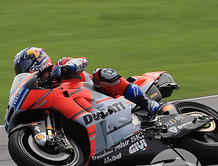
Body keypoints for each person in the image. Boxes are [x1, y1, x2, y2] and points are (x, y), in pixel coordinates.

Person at [12, 46, 162, 116]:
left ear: (39, 60)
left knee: (101, 73)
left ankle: (148, 103)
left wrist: (68, 68)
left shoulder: (60, 65)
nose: (24, 72)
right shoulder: (39, 88)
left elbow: (82, 61)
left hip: (100, 95)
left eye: (24, 66)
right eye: (20, 70)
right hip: (81, 110)